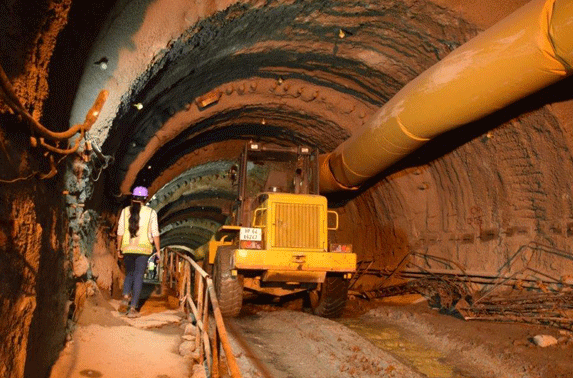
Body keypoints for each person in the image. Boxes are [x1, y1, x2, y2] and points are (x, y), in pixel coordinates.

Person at [116, 186, 161, 318]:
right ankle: (133, 309)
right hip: (144, 249)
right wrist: (158, 250)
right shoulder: (151, 212)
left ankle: (125, 296)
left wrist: (119, 248)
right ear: (146, 198)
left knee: (129, 274)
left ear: (133, 197)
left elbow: (120, 232)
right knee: (138, 276)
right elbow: (155, 233)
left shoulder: (125, 212)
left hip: (128, 248)